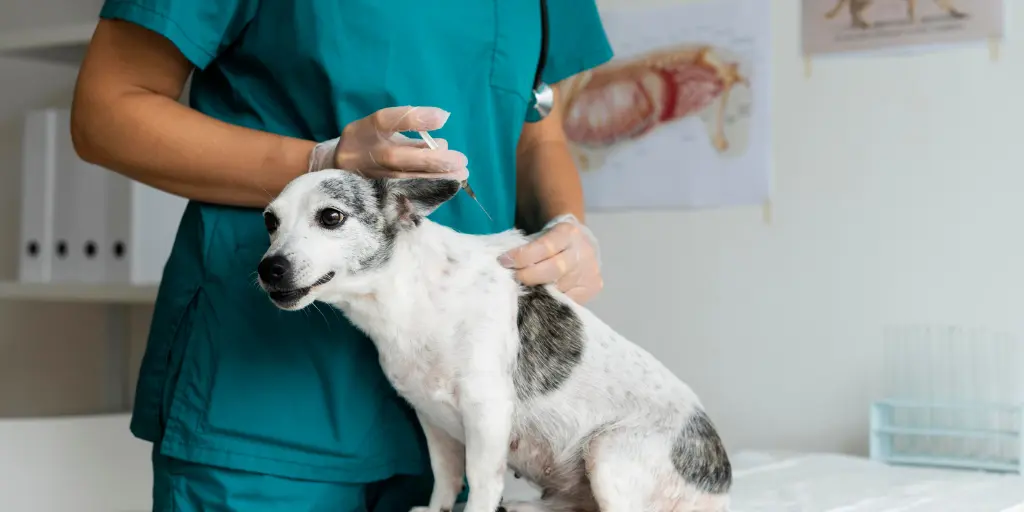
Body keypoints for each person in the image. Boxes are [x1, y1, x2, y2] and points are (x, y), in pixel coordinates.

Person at [70, 1, 611, 510]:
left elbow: (539, 133)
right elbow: (107, 109)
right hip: (271, 390)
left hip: (468, 402)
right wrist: (320, 161)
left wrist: (569, 227)